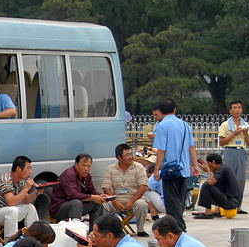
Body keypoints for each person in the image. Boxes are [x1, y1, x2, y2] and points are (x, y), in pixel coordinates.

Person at [151, 97, 199, 232]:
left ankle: (179, 230)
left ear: (161, 111)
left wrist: (156, 169)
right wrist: (194, 166)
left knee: (172, 204)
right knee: (180, 202)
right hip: (184, 171)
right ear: (174, 110)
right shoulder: (185, 125)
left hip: (169, 171)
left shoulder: (162, 126)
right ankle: (178, 229)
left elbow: (161, 150)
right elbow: (192, 147)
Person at [0, 155, 44, 238]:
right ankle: (11, 242)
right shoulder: (6, 181)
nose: (30, 172)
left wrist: (36, 192)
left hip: (8, 213)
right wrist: (26, 188)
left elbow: (27, 200)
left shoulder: (21, 181)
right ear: (18, 169)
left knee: (30, 207)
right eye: (28, 168)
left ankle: (34, 237)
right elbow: (11, 202)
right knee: (12, 210)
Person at [101, 143, 151, 237]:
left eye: (131, 154)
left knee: (142, 204)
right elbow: (106, 187)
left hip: (134, 199)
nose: (131, 157)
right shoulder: (111, 169)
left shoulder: (138, 167)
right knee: (104, 204)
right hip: (116, 199)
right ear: (119, 157)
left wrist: (132, 202)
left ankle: (140, 229)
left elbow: (143, 186)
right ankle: (107, 230)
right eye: (128, 155)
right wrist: (114, 201)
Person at [49, 153, 107, 223]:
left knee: (97, 202)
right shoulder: (69, 174)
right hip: (60, 208)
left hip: (78, 205)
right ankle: (76, 229)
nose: (86, 169)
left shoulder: (87, 176)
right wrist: (93, 197)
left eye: (88, 166)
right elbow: (72, 195)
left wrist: (101, 196)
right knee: (76, 203)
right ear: (76, 164)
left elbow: (92, 191)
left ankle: (94, 231)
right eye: (83, 166)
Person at [217, 99, 249, 214]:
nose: (237, 110)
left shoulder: (245, 124)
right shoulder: (225, 125)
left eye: (239, 108)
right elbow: (222, 142)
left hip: (241, 151)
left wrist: (245, 133)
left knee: (240, 180)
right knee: (228, 178)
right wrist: (234, 134)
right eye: (235, 108)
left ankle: (238, 205)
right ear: (230, 111)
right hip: (230, 151)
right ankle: (226, 205)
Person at [192, 154, 241, 219]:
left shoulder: (223, 170)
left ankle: (208, 213)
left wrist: (208, 171)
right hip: (232, 202)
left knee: (206, 185)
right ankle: (216, 211)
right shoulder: (223, 168)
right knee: (215, 186)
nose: (208, 165)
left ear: (213, 162)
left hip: (231, 203)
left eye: (208, 163)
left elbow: (210, 183)